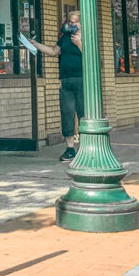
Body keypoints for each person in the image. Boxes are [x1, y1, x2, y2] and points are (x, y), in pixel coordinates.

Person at [31, 9, 83, 162]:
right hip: (65, 79)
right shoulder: (65, 37)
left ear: (81, 23)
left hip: (82, 78)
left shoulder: (87, 36)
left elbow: (92, 57)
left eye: (74, 22)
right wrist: (36, 45)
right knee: (67, 112)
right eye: (69, 22)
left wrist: (80, 43)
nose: (70, 25)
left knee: (83, 112)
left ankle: (86, 148)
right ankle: (69, 149)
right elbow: (54, 52)